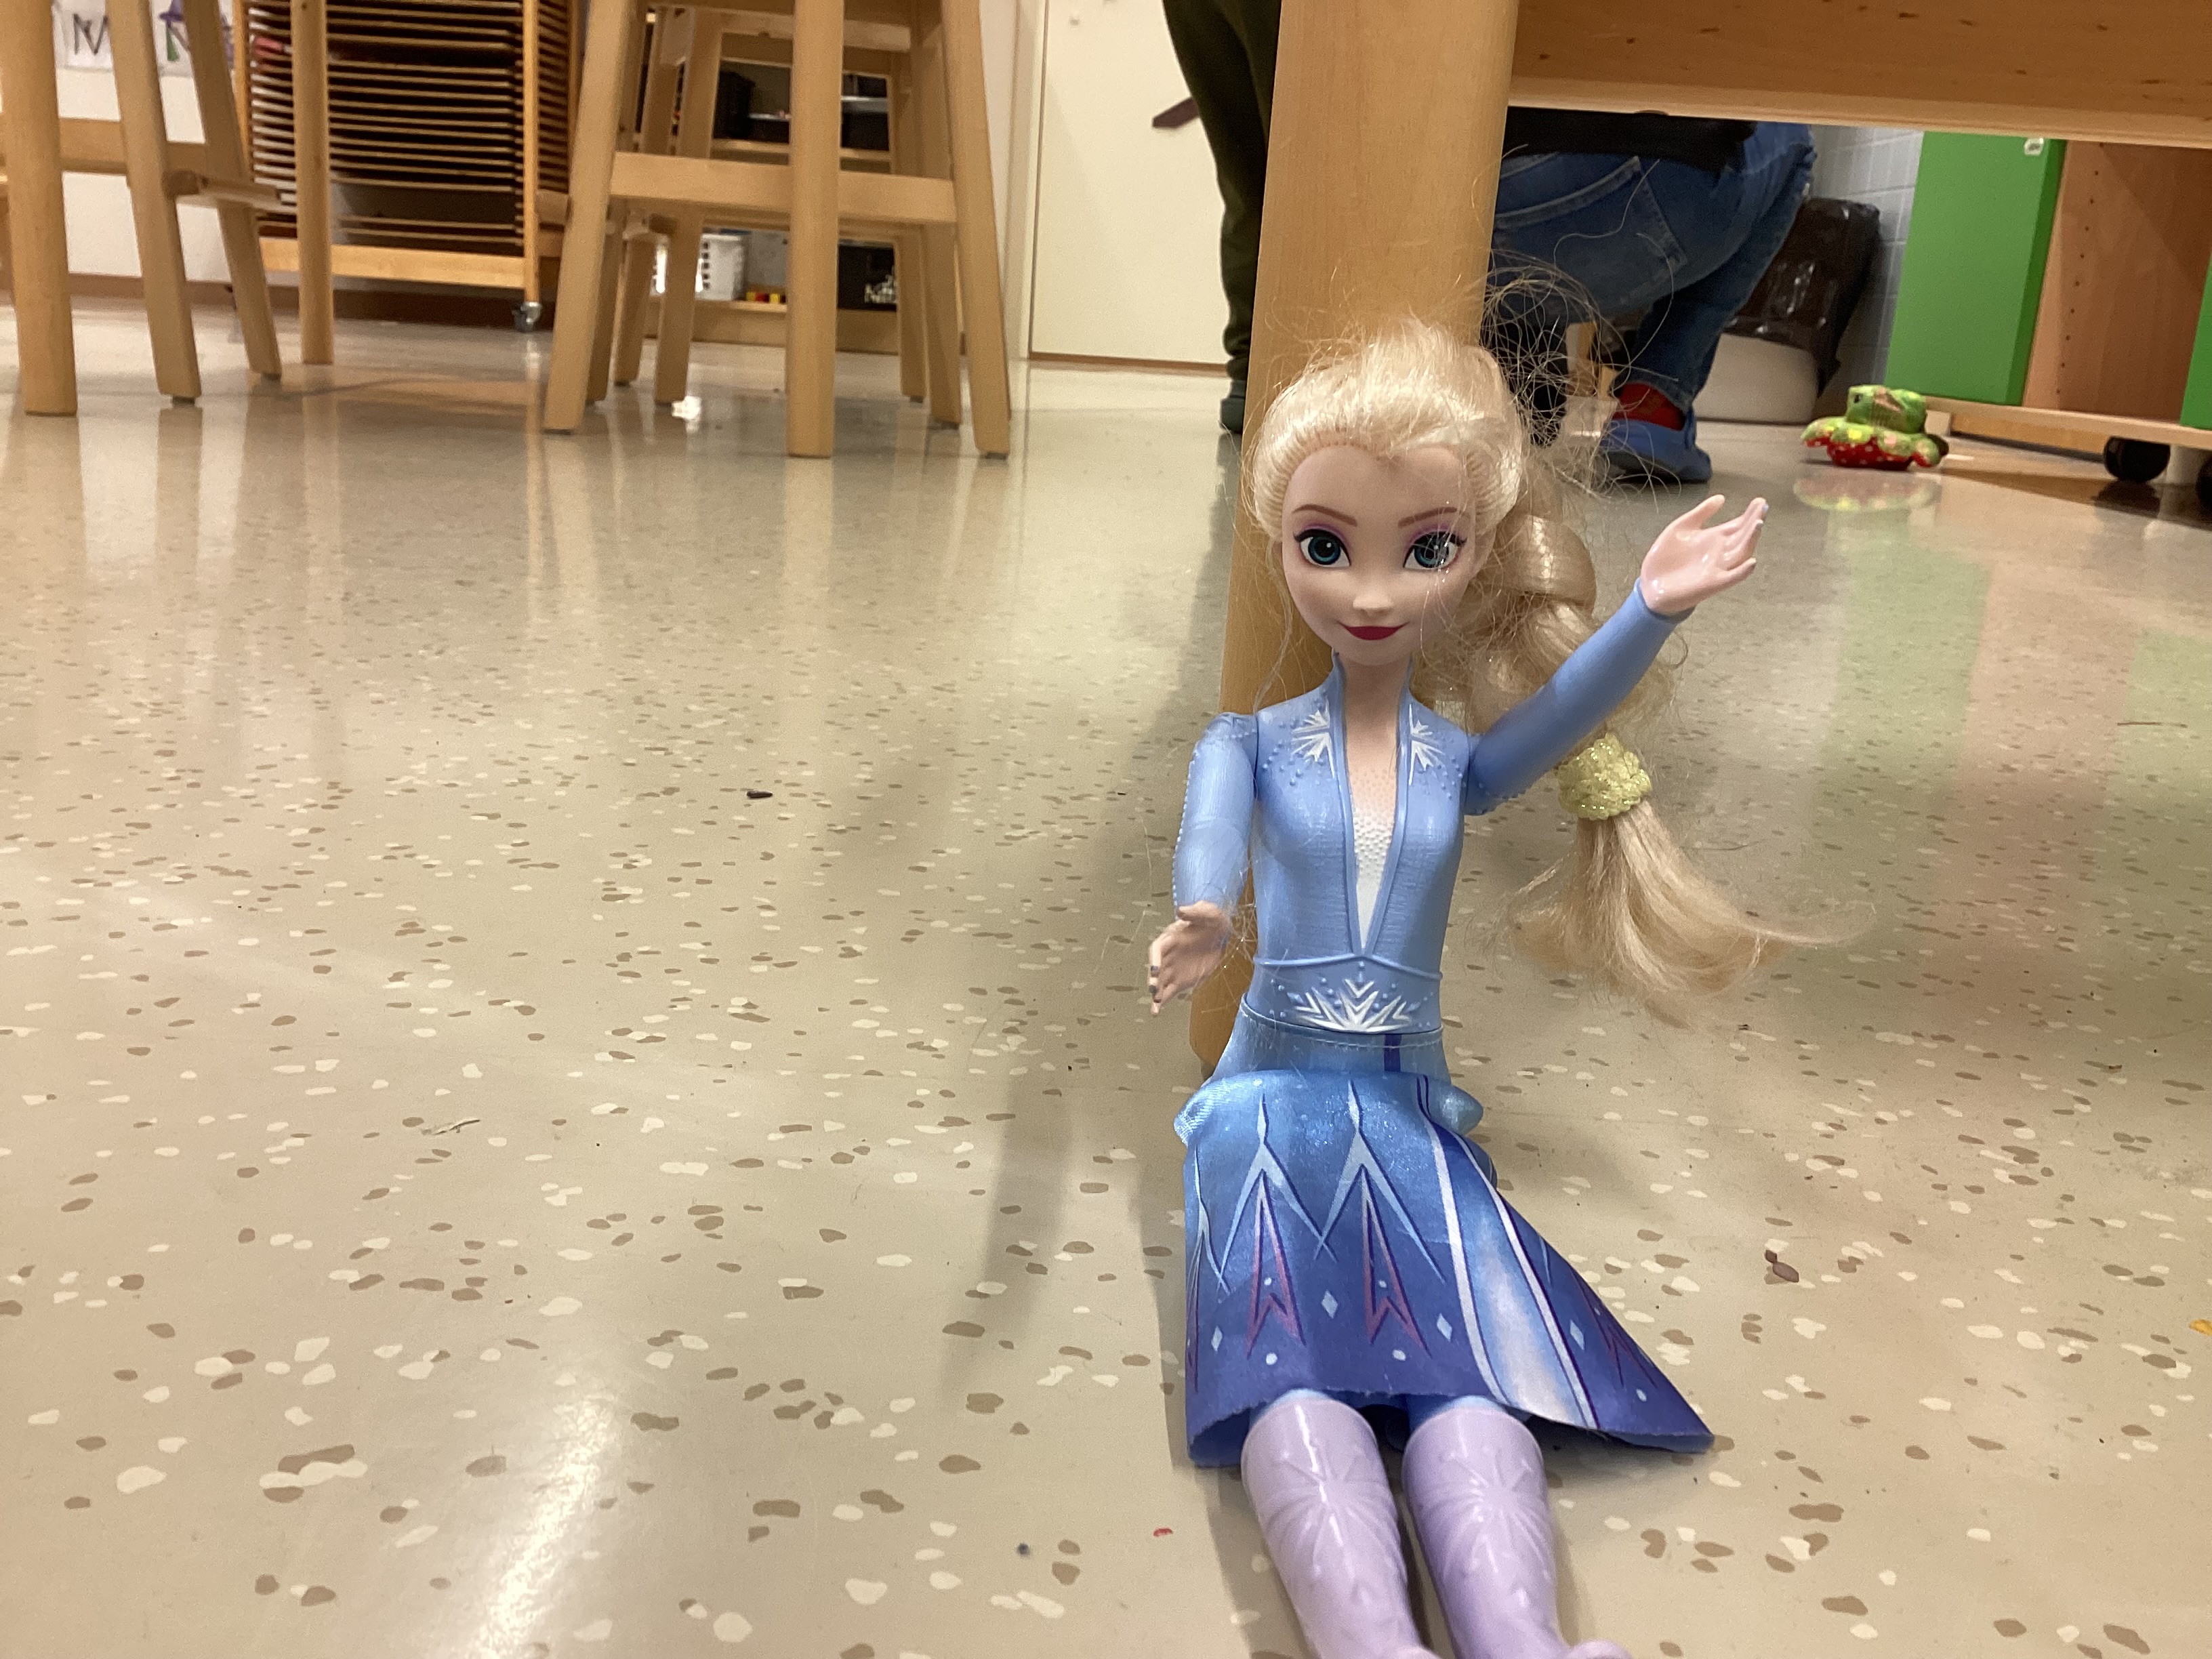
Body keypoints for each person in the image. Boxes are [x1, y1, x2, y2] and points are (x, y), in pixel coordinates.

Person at [1147, 324, 1797, 1659]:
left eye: (1423, 549)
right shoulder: (1245, 744)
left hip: (1407, 1118)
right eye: (1326, 545)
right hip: (1266, 1112)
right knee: (1289, 1375)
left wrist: (1651, 604)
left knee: (1469, 1374)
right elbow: (1207, 844)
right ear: (1277, 539)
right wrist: (1204, 915)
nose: (1370, 590)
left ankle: (1521, 1642)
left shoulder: (1453, 762)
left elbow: (1552, 727)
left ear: (1474, 554)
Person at [1161, 0, 1816, 483]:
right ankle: (1654, 402)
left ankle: (1267, 381)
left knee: (1270, 171)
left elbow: (1262, 181)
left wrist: (1259, 364)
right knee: (1793, 137)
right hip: (1615, 191)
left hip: (1425, 212)